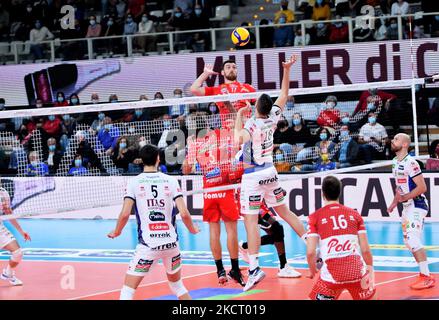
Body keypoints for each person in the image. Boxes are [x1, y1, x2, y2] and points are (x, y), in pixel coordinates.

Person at [234, 55, 307, 292]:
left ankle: (254, 268)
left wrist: (238, 117)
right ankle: (313, 246)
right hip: (271, 172)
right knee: (285, 212)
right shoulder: (273, 117)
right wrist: (287, 70)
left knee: (251, 221)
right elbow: (284, 94)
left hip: (254, 176)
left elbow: (238, 140)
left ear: (256, 107)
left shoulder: (251, 124)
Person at [108, 144, 199, 300]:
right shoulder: (171, 181)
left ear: (141, 160)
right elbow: (184, 213)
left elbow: (124, 214)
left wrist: (117, 231)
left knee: (128, 290)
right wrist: (192, 229)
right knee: (177, 286)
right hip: (172, 244)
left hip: (149, 246)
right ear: (158, 159)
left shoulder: (134, 182)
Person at [182, 120, 246, 286]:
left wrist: (190, 150)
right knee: (231, 230)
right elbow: (239, 150)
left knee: (213, 231)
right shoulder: (222, 138)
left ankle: (220, 271)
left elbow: (185, 170)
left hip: (209, 192)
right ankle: (235, 270)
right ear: (208, 128)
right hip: (226, 189)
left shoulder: (195, 144)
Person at [307, 175, 376, 300]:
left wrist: (312, 271)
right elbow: (365, 250)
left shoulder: (315, 217)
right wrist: (370, 272)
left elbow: (311, 252)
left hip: (332, 278)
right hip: (358, 274)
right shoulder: (354, 214)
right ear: (340, 192)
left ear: (322, 194)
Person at [387, 133, 435, 290]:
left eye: (396, 139)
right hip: (407, 206)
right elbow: (399, 187)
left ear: (405, 144)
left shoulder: (411, 163)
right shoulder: (395, 162)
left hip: (417, 204)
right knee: (409, 242)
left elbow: (422, 188)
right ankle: (424, 275)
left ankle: (426, 276)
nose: (392, 141)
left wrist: (405, 197)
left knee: (413, 239)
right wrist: (395, 202)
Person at [239, 199, 301, 278]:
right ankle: (283, 266)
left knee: (276, 232)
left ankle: (244, 246)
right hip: (252, 206)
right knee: (277, 230)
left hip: (260, 205)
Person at [190, 60, 256, 116]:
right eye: (228, 67)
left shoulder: (248, 87)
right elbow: (194, 89)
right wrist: (205, 74)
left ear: (237, 71)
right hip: (227, 128)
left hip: (245, 127)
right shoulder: (216, 90)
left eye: (234, 67)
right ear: (222, 72)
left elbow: (260, 106)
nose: (231, 69)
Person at [0, 187, 31, 286]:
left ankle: (8, 273)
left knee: (18, 252)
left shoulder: (3, 192)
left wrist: (21, 231)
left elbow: (8, 212)